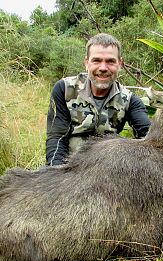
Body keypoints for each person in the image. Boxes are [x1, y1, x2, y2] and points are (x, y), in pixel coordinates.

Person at [46, 33, 151, 166]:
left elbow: (147, 138)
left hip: (108, 169)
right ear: (86, 63)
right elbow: (56, 138)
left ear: (120, 64)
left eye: (110, 61)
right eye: (96, 60)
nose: (103, 68)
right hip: (69, 167)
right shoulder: (65, 89)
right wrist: (57, 174)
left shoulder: (131, 100)